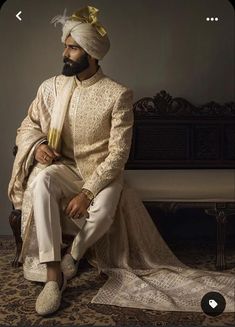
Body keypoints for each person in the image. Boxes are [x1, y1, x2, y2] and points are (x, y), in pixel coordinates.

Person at [8, 5, 235, 317]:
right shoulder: (52, 88)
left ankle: (72, 255)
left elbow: (118, 154)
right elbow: (29, 125)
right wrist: (36, 148)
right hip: (64, 167)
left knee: (102, 213)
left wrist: (87, 193)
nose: (66, 53)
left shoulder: (117, 94)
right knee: (43, 181)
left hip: (99, 174)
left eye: (73, 48)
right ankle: (52, 275)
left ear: (91, 52)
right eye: (66, 46)